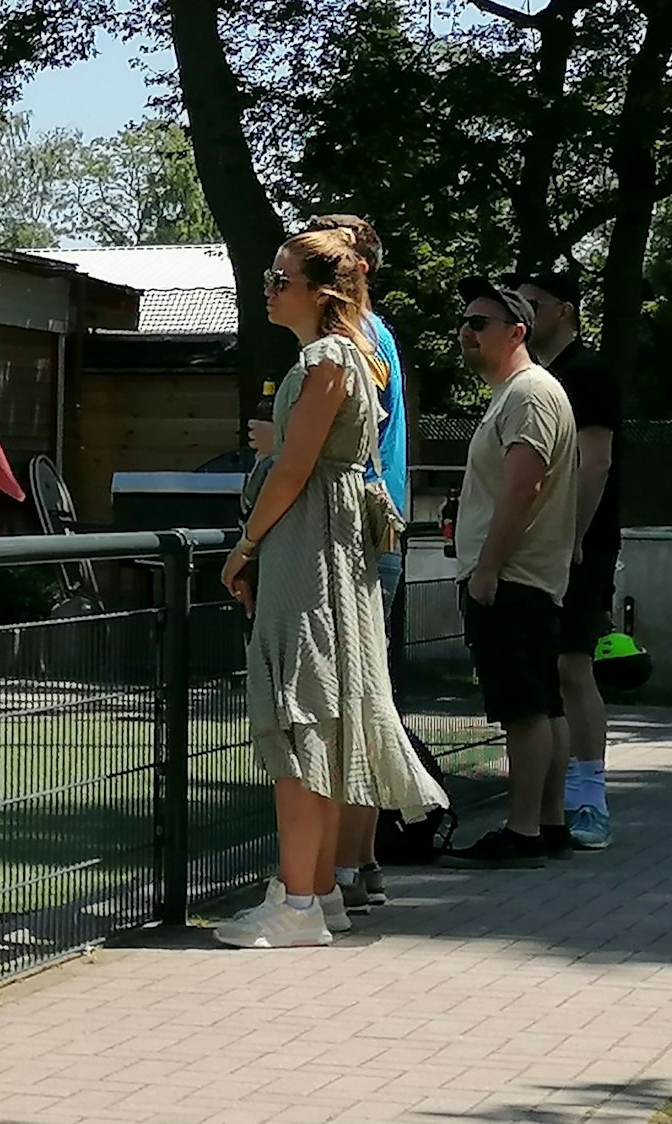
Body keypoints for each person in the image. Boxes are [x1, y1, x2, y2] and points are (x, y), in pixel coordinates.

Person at [215, 228, 448, 949]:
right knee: (315, 714)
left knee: (297, 716)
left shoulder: (324, 358)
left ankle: (298, 903)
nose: (268, 288)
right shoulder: (347, 355)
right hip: (329, 548)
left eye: (280, 279)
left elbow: (292, 468)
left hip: (308, 550)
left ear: (322, 293)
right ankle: (313, 894)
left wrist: (245, 544)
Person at [439, 277, 580, 869]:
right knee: (545, 705)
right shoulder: (521, 392)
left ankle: (522, 830)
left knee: (523, 709)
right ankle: (548, 824)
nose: (466, 333)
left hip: (513, 576)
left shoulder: (527, 394)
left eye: (480, 324)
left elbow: (524, 487)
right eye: (465, 322)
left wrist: (486, 570)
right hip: (530, 576)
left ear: (517, 332)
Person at [304, 215, 408, 914]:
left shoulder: (342, 344)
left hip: (347, 538)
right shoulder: (383, 337)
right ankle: (360, 864)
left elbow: (323, 443)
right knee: (368, 698)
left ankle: (336, 872)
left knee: (340, 705)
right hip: (379, 529)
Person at [508, 270, 620, 851]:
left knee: (575, 666)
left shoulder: (588, 374)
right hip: (541, 546)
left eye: (534, 303)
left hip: (582, 543)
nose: (523, 312)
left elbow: (595, 461)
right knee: (546, 669)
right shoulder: (536, 379)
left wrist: (572, 536)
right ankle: (547, 807)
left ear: (565, 311)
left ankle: (589, 798)